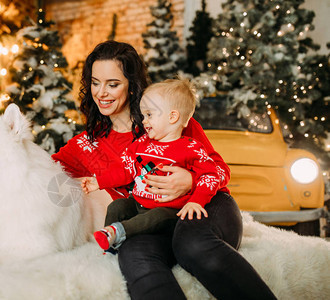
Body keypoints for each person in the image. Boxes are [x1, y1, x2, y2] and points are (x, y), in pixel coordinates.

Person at [52, 40, 276, 300]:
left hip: (205, 207)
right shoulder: (86, 144)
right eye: (94, 82)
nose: (101, 92)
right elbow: (39, 166)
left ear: (132, 86)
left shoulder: (169, 119)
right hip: (151, 220)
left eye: (113, 84)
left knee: (191, 245)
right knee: (134, 254)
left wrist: (190, 179)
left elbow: (221, 171)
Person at [81, 78, 223, 252]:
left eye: (149, 115)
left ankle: (117, 232)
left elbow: (210, 175)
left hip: (168, 209)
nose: (144, 121)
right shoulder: (141, 144)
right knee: (117, 206)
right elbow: (125, 169)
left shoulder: (191, 148)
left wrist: (196, 201)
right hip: (139, 202)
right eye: (143, 116)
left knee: (158, 216)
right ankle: (110, 246)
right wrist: (99, 182)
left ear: (172, 117)